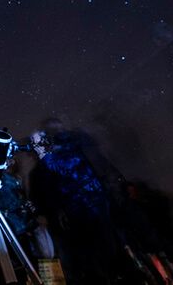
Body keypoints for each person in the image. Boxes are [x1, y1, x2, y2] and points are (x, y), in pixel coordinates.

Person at [29, 118, 119, 283]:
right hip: (94, 210)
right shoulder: (80, 150)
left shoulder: (52, 162)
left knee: (92, 261)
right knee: (105, 257)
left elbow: (47, 192)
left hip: (79, 217)